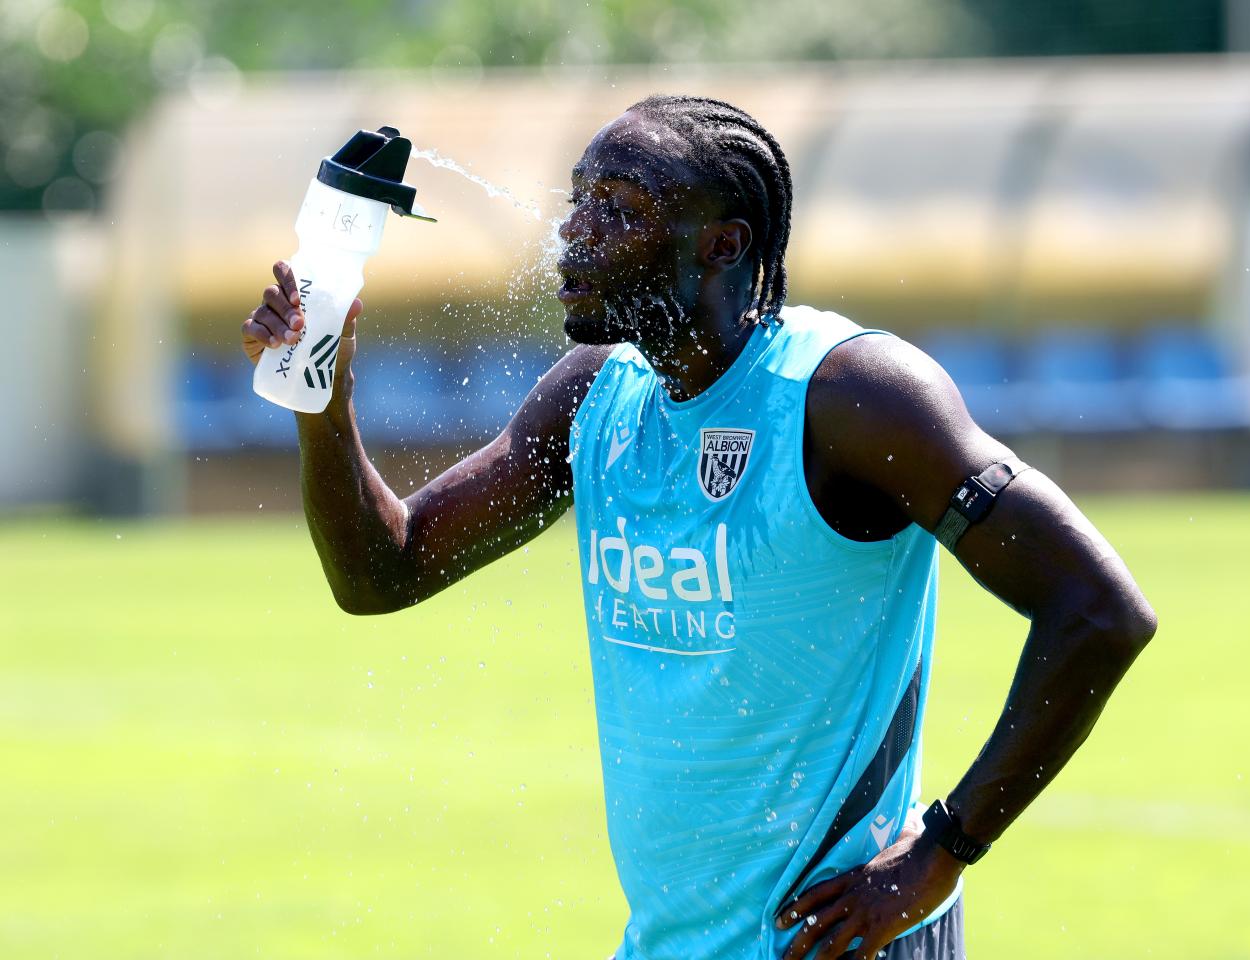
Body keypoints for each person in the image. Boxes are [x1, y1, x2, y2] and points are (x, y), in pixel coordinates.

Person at [240, 95, 1157, 960]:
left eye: (618, 209)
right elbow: (382, 574)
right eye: (579, 202)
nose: (574, 232)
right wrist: (322, 390)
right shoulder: (595, 396)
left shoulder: (851, 398)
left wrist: (941, 854)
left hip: (835, 938)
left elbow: (1099, 610)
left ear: (722, 245)